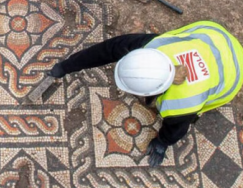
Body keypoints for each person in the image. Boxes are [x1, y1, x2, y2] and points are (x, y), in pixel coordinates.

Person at [50, 21, 243, 166]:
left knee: (193, 113)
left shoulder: (182, 104)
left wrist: (162, 142)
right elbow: (108, 49)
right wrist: (66, 66)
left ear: (156, 92)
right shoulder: (152, 46)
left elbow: (178, 129)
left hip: (235, 74)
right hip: (214, 35)